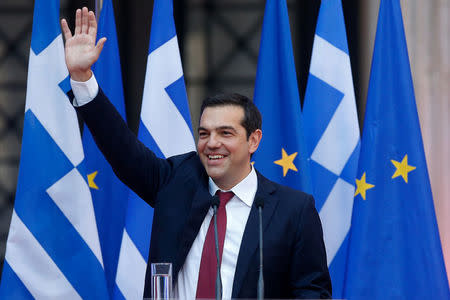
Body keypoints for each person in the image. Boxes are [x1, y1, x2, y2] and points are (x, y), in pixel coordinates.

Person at [61, 7, 332, 299]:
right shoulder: (176, 182)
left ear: (253, 141)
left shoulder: (293, 210)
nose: (211, 143)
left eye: (225, 133)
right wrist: (83, 79)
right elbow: (122, 150)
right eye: (204, 133)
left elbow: (312, 292)